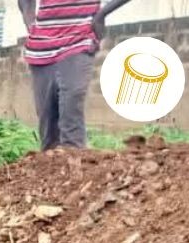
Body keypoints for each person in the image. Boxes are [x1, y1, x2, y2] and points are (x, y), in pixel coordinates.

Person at [18, 0, 132, 150]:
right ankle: (50, 165)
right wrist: (30, 22)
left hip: (80, 37)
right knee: (47, 122)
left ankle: (75, 158)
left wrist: (101, 14)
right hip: (41, 46)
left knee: (71, 105)